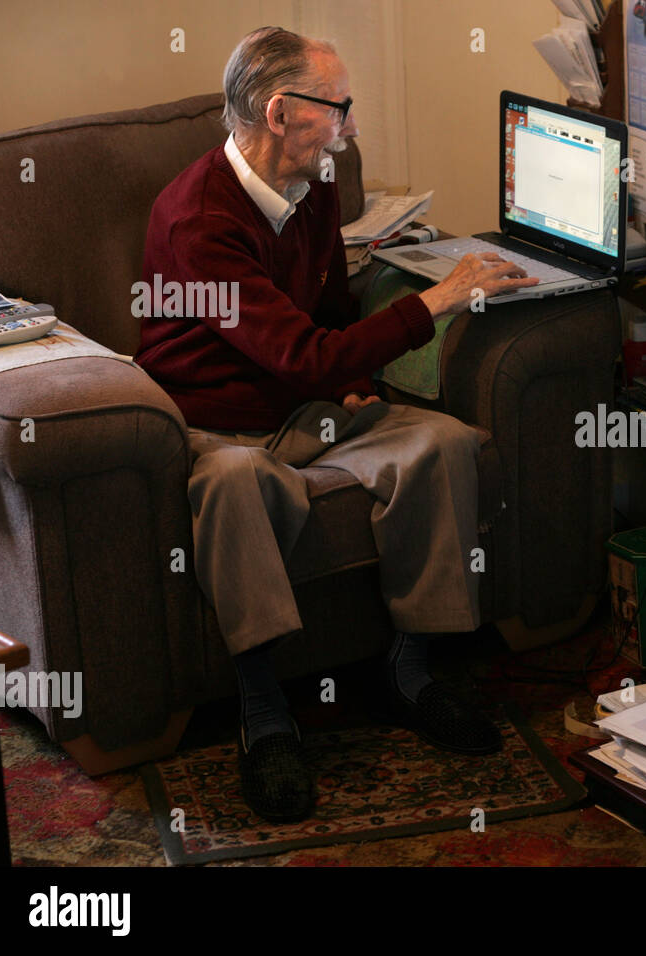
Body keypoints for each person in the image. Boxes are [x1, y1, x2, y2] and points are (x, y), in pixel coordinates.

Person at [133, 27, 540, 824]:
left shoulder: (313, 185)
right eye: (339, 108)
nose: (350, 128)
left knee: (443, 443)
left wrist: (356, 383)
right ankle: (265, 712)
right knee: (235, 485)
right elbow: (299, 351)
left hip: (307, 408)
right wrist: (432, 302)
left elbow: (328, 316)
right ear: (281, 112)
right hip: (220, 427)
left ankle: (409, 669)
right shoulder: (199, 221)